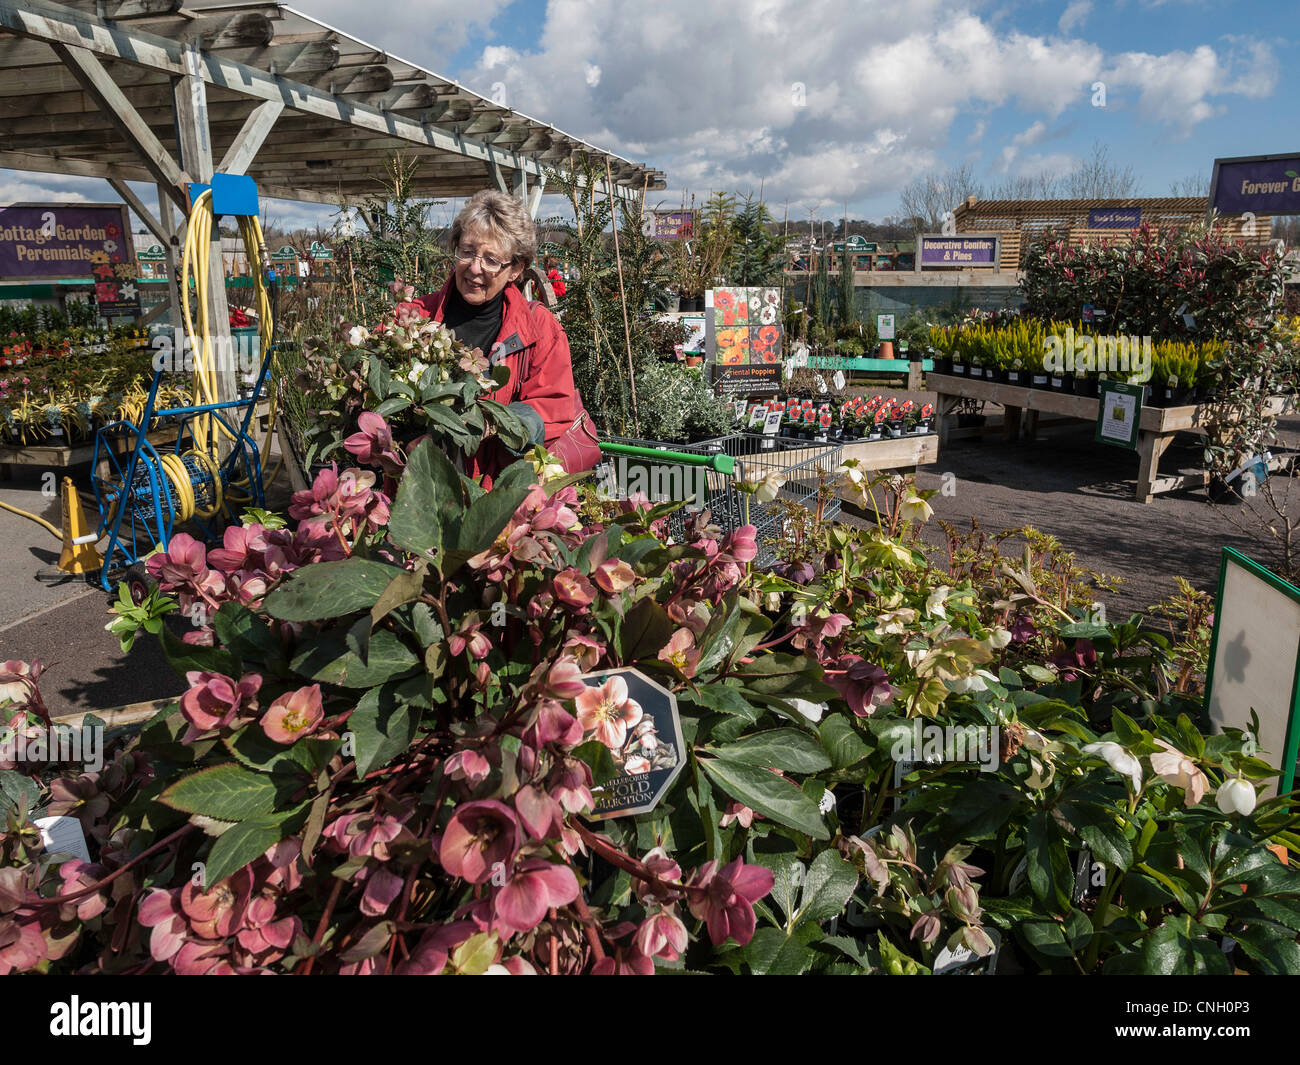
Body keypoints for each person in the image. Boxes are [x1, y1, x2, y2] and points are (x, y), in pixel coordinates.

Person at [414, 190, 579, 484]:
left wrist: (494, 420)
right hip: (420, 491)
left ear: (515, 268)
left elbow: (553, 407)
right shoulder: (416, 317)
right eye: (467, 251)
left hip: (497, 498)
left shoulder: (539, 328)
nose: (475, 268)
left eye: (491, 259)